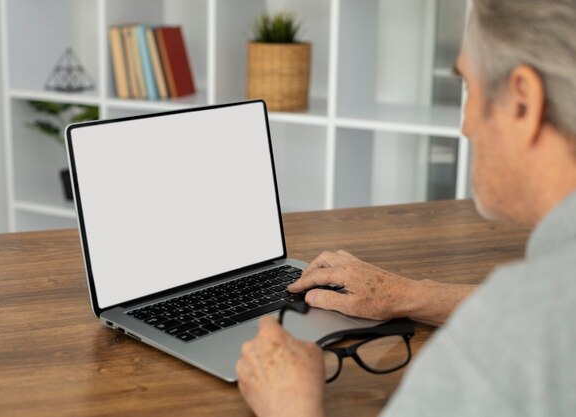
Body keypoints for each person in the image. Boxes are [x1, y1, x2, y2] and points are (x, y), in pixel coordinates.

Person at [236, 0, 576, 415]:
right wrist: (409, 295)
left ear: (523, 102)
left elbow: (524, 316)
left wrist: (288, 404)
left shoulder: (502, 339)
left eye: (468, 85)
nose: (465, 125)